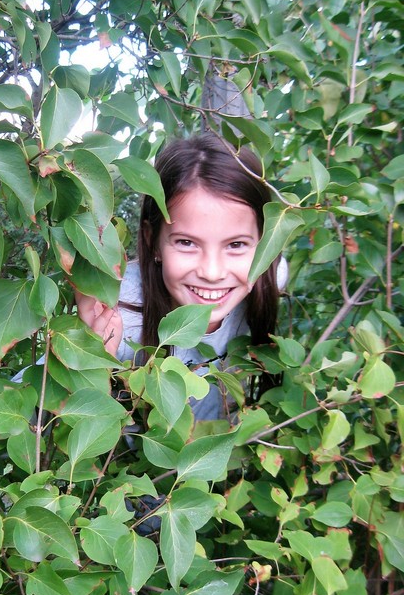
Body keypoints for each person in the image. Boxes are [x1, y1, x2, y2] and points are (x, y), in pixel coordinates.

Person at [75, 133, 287, 421]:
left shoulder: (270, 276)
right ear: (152, 240)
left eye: (236, 245)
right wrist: (91, 364)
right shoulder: (119, 317)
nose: (212, 273)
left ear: (264, 245)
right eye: (186, 243)